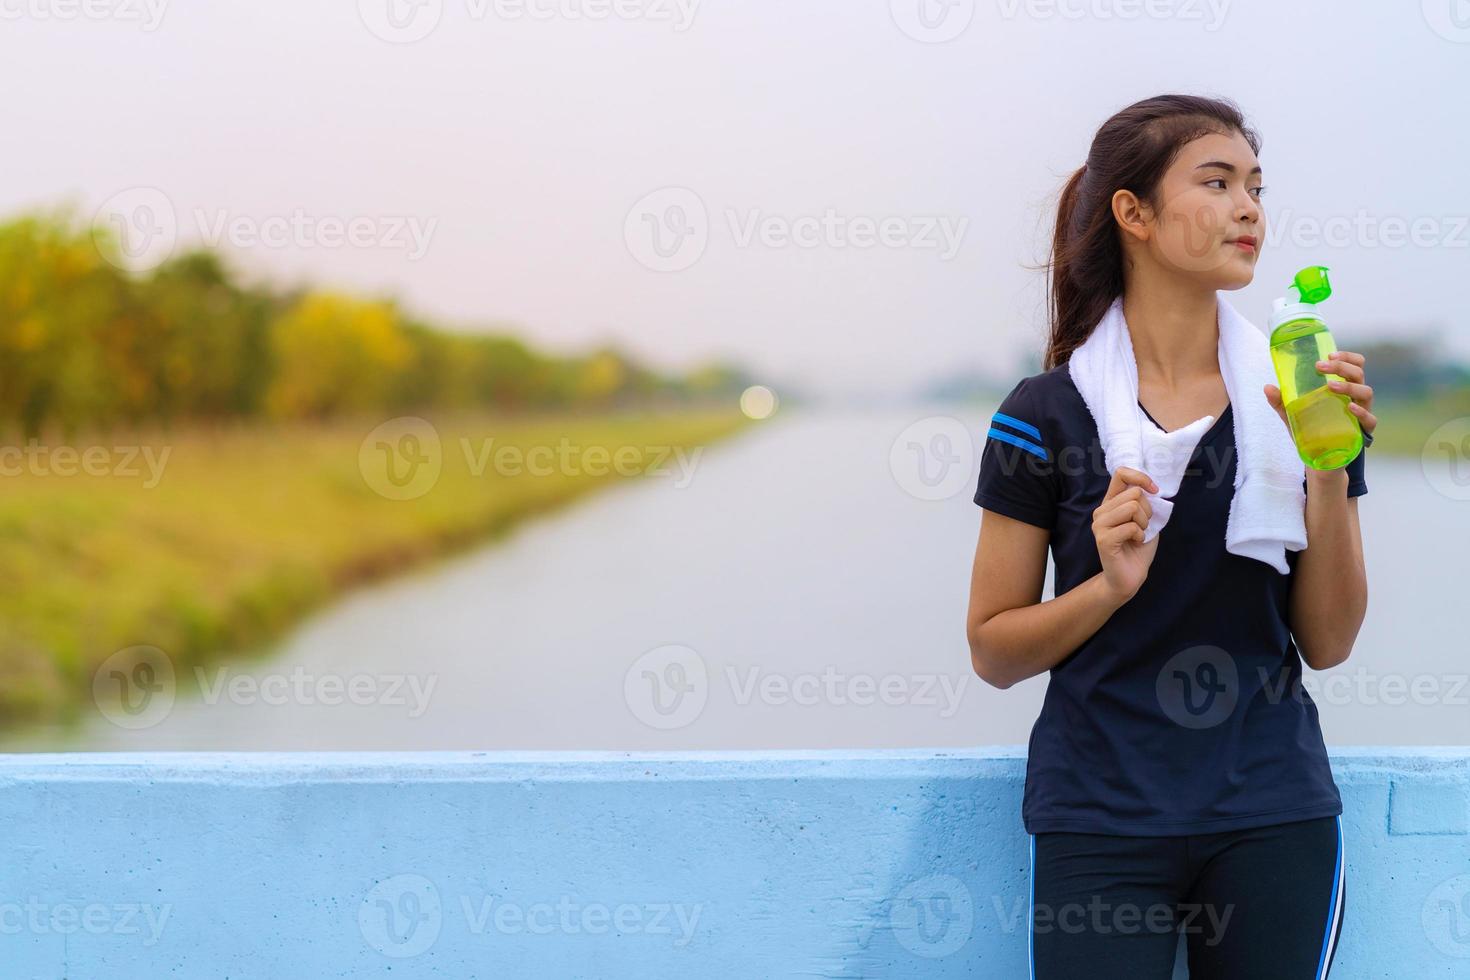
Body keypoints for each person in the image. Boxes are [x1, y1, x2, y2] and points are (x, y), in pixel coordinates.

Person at [965, 94, 1376, 979]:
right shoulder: (1044, 414)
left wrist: (1329, 466)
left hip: (1273, 811)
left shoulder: (1301, 403)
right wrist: (1108, 586)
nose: (1248, 209)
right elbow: (993, 651)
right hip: (1098, 818)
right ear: (1134, 213)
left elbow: (1331, 641)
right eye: (1218, 182)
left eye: (1256, 187)